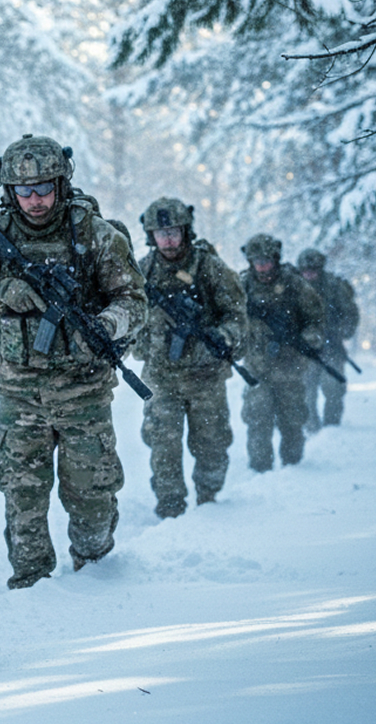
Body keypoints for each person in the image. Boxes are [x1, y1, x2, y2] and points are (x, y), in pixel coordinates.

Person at [0, 134, 146, 589]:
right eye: (24, 191)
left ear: (61, 184)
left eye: (43, 189)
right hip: (19, 392)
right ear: (9, 191)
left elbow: (134, 301)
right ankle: (30, 586)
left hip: (85, 390)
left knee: (92, 495)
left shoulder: (95, 235)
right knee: (23, 495)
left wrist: (106, 324)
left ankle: (96, 574)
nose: (35, 200)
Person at [133, 197, 248, 518]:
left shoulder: (209, 267)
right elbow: (129, 314)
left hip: (205, 377)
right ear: (151, 236)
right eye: (161, 233)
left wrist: (221, 337)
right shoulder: (143, 271)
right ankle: (170, 508)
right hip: (161, 377)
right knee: (163, 446)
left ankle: (209, 501)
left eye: (173, 231)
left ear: (185, 230)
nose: (168, 239)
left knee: (212, 446)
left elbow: (237, 316)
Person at [239, 234, 325, 472]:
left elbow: (316, 320)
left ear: (275, 259)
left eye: (266, 260)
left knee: (292, 421)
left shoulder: (295, 285)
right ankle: (260, 470)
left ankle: (293, 468)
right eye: (257, 261)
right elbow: (229, 318)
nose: (262, 267)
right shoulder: (243, 286)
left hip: (290, 367)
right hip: (256, 368)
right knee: (258, 418)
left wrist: (307, 338)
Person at [297, 248, 360, 430]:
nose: (309, 274)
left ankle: (332, 429)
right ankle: (311, 429)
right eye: (305, 270)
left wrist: (339, 332)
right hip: (303, 351)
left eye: (313, 270)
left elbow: (350, 314)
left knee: (333, 387)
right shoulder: (293, 287)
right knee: (305, 392)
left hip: (331, 348)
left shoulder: (334, 286)